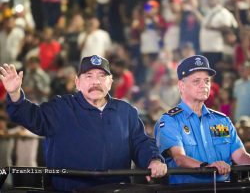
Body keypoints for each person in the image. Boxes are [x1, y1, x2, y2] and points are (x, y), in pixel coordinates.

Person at [0, 55, 167, 192]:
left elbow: (141, 142)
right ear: (77, 82)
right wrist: (15, 94)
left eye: (102, 76)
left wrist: (153, 159)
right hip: (69, 190)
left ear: (110, 82)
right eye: (89, 76)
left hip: (116, 189)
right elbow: (31, 116)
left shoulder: (126, 111)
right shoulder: (61, 107)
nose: (96, 82)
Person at [155, 55, 250, 184]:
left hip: (225, 188)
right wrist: (207, 167)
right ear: (181, 86)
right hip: (187, 190)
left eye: (207, 81)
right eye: (196, 81)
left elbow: (240, 156)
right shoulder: (170, 121)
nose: (203, 85)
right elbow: (179, 158)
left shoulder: (222, 120)